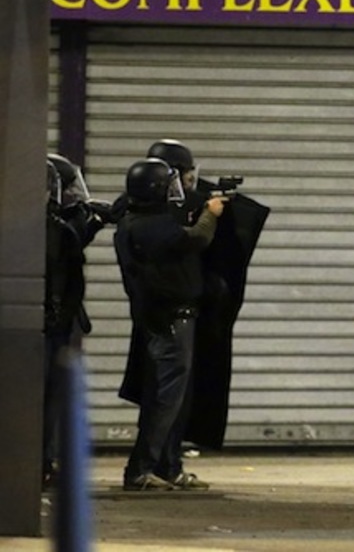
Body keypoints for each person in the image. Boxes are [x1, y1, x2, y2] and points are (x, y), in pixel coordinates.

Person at [114, 158, 227, 491]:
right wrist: (211, 213)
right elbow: (195, 240)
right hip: (172, 322)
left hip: (160, 320)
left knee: (163, 398)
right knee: (166, 402)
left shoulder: (133, 220)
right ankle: (141, 469)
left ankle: (159, 466)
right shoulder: (152, 226)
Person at [43, 153, 109, 489]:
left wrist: (94, 223)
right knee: (48, 399)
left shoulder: (53, 228)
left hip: (52, 326)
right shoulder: (52, 230)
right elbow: (68, 254)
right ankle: (42, 463)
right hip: (50, 329)